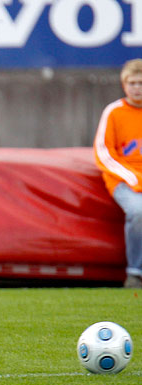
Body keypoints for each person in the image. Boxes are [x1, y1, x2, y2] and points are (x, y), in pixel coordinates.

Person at [94, 58, 142, 288]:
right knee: (138, 211)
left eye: (141, 83)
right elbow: (103, 153)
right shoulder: (114, 112)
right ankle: (135, 273)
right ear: (124, 85)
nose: (137, 88)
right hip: (123, 179)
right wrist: (133, 178)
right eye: (132, 83)